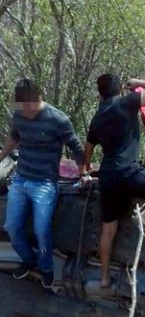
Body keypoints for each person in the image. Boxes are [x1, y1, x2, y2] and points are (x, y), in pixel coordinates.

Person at [83, 74, 145, 290]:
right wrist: (139, 84)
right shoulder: (124, 103)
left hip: (108, 177)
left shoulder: (98, 117)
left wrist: (86, 170)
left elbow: (87, 148)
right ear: (120, 90)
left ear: (100, 94)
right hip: (129, 173)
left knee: (108, 229)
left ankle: (104, 278)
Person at [0, 78, 88, 288]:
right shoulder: (19, 114)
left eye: (29, 108)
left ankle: (46, 268)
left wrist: (84, 172)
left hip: (44, 183)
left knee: (42, 230)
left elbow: (76, 147)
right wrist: (2, 155)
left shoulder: (57, 119)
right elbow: (15, 136)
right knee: (11, 226)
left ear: (39, 100)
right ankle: (28, 261)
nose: (26, 113)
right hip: (21, 179)